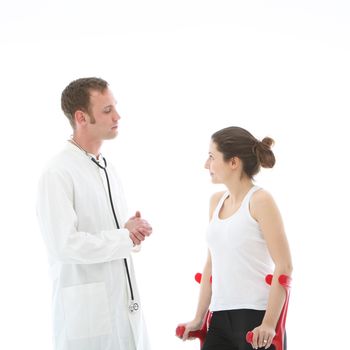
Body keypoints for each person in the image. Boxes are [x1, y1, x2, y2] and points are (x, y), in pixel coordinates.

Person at [36, 77, 152, 350]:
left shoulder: (107, 167)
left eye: (115, 108)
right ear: (81, 117)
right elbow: (65, 245)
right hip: (87, 316)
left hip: (124, 304)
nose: (117, 116)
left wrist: (130, 229)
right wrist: (125, 237)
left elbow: (106, 230)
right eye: (107, 110)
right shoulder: (57, 172)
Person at [178, 126, 293, 350]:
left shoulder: (260, 201)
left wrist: (269, 324)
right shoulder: (216, 201)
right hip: (219, 318)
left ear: (234, 162)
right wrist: (199, 318)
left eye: (211, 157)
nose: (206, 164)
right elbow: (211, 264)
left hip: (256, 317)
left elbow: (284, 265)